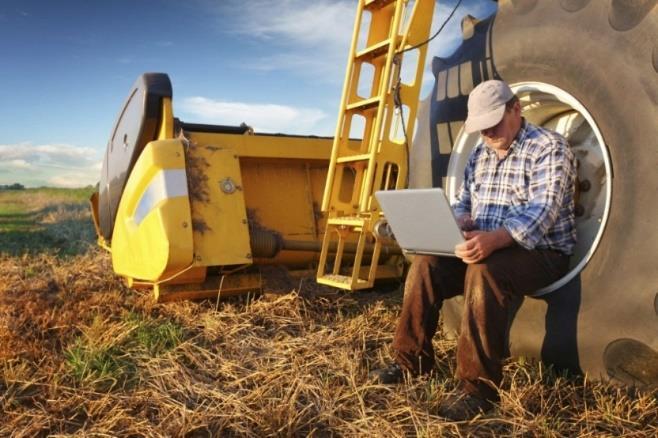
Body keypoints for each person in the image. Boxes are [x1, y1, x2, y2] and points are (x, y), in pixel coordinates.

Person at [370, 80, 577, 421]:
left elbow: (541, 213)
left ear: (516, 109)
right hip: (487, 245)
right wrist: (459, 220)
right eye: (481, 127)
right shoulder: (480, 153)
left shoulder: (549, 148)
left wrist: (493, 239)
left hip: (542, 252)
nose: (489, 133)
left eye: (494, 123)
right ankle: (410, 361)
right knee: (426, 263)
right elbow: (465, 200)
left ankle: (477, 389)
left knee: (485, 270)